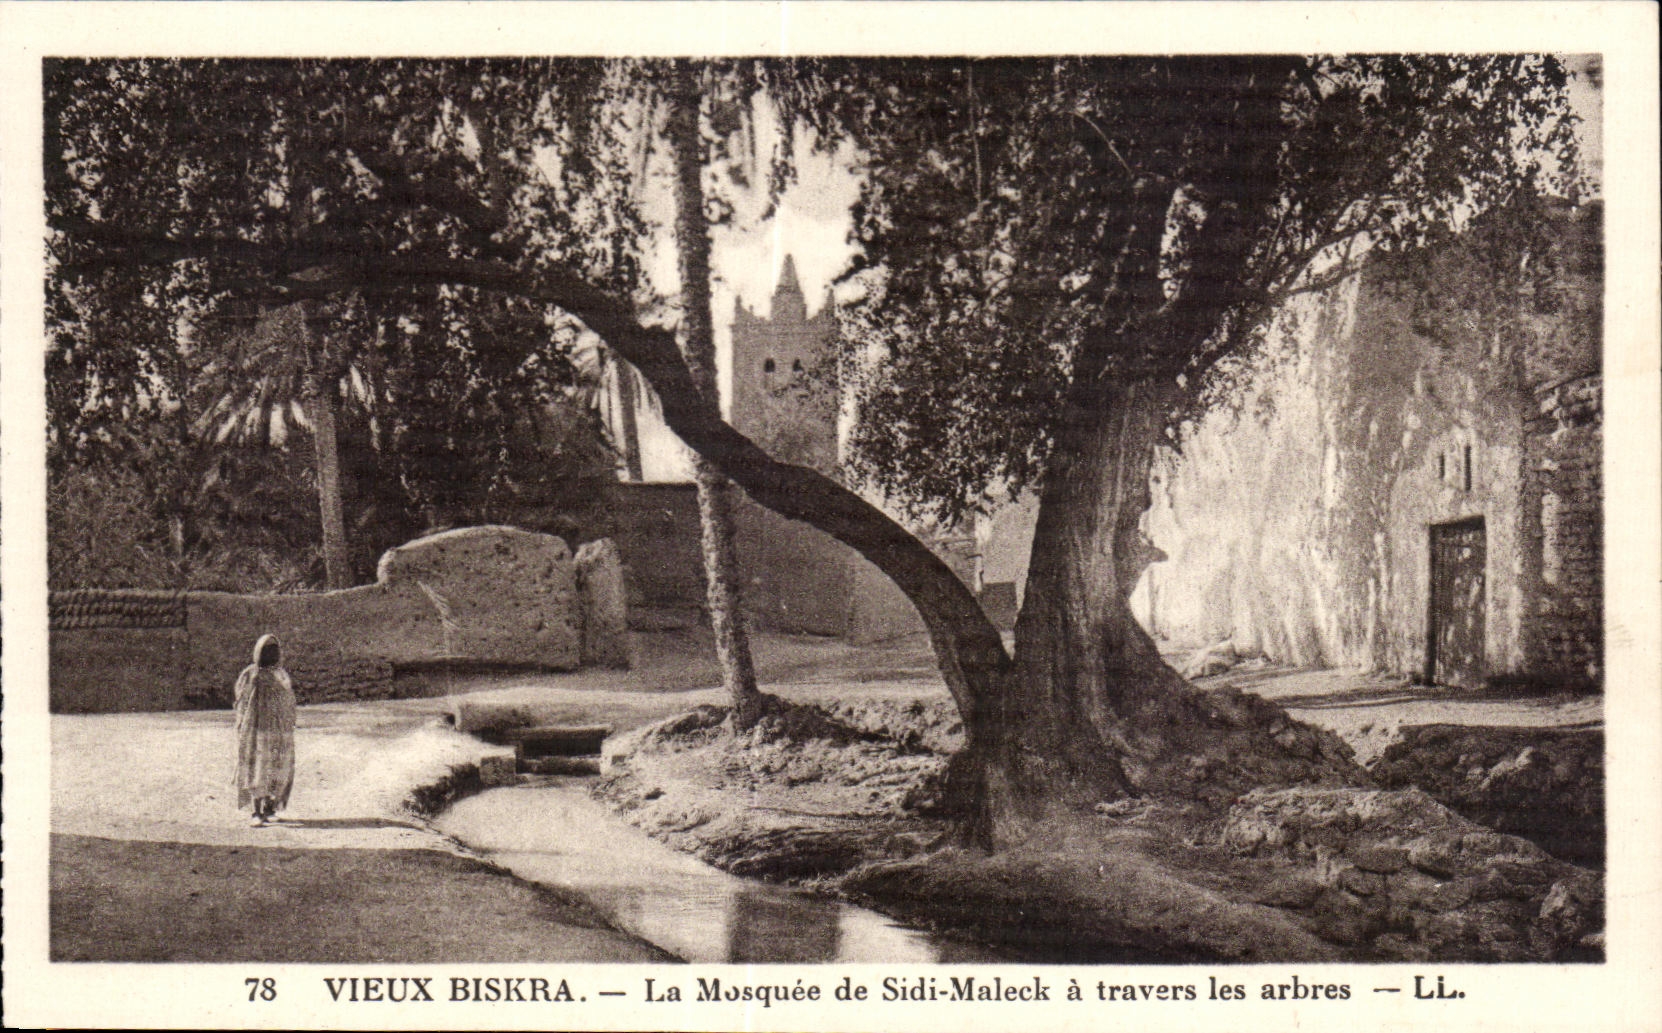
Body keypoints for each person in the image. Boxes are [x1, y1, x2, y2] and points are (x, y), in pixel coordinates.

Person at [233, 633, 296, 826]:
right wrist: (243, 724)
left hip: (278, 730)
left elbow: (289, 700)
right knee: (258, 768)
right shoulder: (251, 674)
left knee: (278, 767)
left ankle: (270, 808)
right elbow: (241, 701)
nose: (271, 655)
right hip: (257, 730)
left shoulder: (281, 674)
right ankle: (256, 812)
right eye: (266, 651)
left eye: (274, 651)